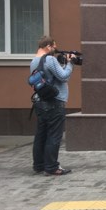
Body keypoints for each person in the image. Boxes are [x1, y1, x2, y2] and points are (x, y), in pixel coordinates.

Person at [30, 36, 76, 176]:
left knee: (41, 135)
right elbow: (64, 76)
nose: (55, 50)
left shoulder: (34, 61)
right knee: (54, 135)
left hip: (40, 102)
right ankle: (51, 167)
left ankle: (39, 165)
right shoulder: (50, 59)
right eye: (54, 47)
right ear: (48, 46)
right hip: (54, 102)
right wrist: (70, 63)